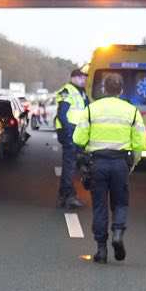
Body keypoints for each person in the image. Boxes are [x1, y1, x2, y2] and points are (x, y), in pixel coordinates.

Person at [71, 71, 146, 265]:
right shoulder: (132, 111)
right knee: (121, 203)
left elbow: (78, 138)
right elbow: (139, 141)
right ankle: (118, 234)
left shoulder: (91, 109)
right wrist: (133, 162)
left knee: (99, 206)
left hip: (98, 163)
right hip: (120, 163)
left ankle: (101, 250)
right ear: (121, 90)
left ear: (104, 89)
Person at [52, 67, 90, 209]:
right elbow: (62, 114)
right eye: (81, 77)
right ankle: (68, 196)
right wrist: (69, 132)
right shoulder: (67, 91)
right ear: (73, 78)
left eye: (85, 77)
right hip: (69, 131)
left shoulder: (81, 92)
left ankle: (65, 194)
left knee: (73, 164)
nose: (83, 79)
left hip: (77, 132)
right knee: (70, 165)